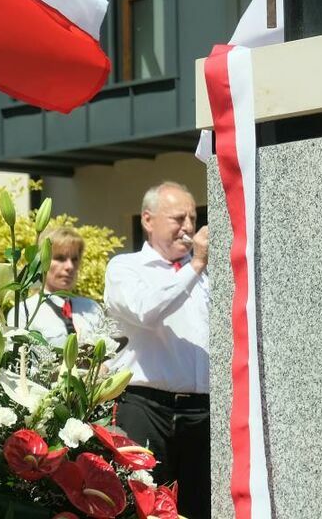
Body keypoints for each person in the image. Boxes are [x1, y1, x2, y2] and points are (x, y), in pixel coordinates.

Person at [105, 181, 211, 519]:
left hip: (202, 410)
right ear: (148, 221)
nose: (189, 228)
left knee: (200, 507)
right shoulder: (126, 268)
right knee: (145, 506)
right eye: (178, 218)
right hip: (146, 407)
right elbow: (145, 311)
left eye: (193, 219)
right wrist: (195, 268)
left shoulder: (207, 272)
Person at [19, 226, 104, 347]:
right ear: (42, 262)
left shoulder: (92, 308)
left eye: (74, 259)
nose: (70, 266)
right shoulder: (24, 312)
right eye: (60, 258)